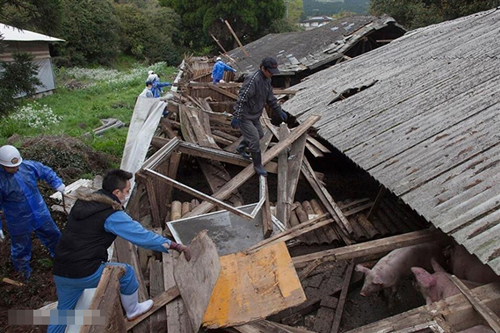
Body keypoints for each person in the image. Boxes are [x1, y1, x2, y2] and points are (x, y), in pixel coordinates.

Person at [48, 169, 191, 333]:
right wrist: (174, 245)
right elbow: (142, 236)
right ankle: (133, 310)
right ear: (116, 192)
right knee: (126, 272)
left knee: (63, 313)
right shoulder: (111, 215)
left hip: (61, 270)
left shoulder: (83, 203)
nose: (128, 194)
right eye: (127, 191)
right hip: (85, 271)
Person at [0, 145, 65, 280]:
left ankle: (62, 259)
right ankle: (24, 273)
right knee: (20, 247)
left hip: (40, 212)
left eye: (17, 165)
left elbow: (45, 171)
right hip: (18, 219)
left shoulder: (27, 167)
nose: (15, 168)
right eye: (11, 167)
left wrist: (57, 183)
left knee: (54, 235)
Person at [231, 57, 288, 176]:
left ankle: (241, 148)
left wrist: (279, 111)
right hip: (244, 116)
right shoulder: (252, 80)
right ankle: (257, 165)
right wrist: (237, 116)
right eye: (270, 72)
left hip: (255, 115)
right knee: (254, 140)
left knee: (260, 135)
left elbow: (270, 98)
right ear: (263, 68)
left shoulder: (267, 80)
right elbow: (242, 99)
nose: (272, 75)